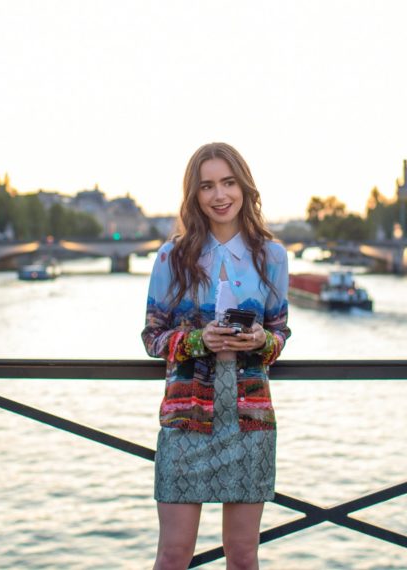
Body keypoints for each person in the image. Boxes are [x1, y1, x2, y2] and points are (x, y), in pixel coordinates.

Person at [141, 142, 291, 569]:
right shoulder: (173, 256)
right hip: (186, 420)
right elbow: (152, 336)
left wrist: (261, 341)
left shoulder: (272, 256)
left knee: (243, 556)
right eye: (207, 186)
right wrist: (197, 341)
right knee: (173, 555)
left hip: (250, 423)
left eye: (228, 182)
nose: (219, 195)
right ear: (194, 195)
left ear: (244, 187)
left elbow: (280, 333)